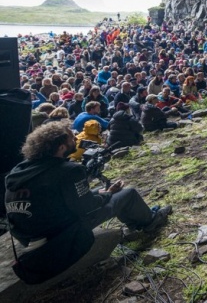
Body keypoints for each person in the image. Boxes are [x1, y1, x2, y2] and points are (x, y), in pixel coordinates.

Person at [4, 121, 171, 283]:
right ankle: (149, 221)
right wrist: (108, 194)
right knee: (128, 193)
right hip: (59, 235)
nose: (76, 139)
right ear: (61, 147)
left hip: (26, 234)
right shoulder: (69, 171)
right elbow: (86, 207)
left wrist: (98, 193)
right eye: (71, 137)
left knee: (99, 191)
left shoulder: (19, 170)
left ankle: (133, 222)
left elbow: (60, 197)